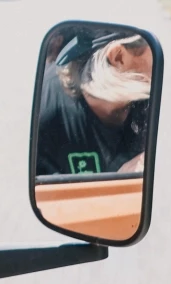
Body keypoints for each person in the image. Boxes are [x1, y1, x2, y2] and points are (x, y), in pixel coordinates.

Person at [35, 29, 152, 178]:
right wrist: (119, 182)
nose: (161, 62)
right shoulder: (47, 111)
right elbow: (47, 195)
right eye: (153, 50)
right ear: (118, 57)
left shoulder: (149, 99)